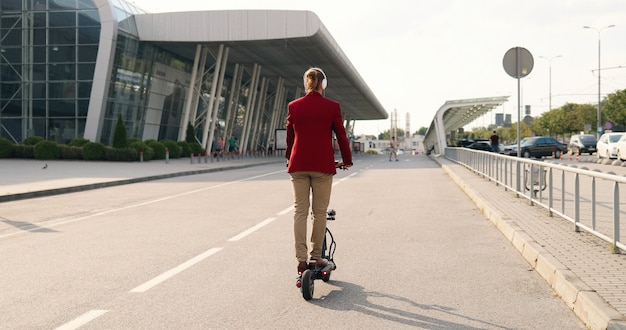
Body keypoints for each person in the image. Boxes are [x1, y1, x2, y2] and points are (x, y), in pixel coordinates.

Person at [285, 67, 353, 274]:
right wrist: (347, 160)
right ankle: (316, 257)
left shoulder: (294, 106)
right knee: (319, 212)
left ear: (306, 83)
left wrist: (289, 157)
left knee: (300, 211)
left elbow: (290, 137)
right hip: (323, 166)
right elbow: (341, 136)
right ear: (324, 85)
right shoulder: (332, 107)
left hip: (298, 165)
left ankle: (301, 259)